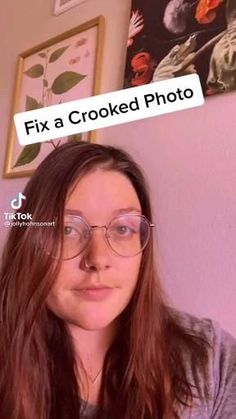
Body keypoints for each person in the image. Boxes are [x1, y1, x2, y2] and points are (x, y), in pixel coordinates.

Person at [0, 141, 235, 419]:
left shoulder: (208, 356)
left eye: (123, 228)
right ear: (31, 242)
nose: (98, 259)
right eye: (67, 229)